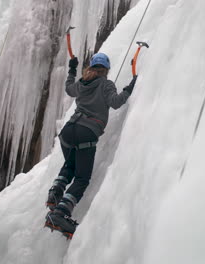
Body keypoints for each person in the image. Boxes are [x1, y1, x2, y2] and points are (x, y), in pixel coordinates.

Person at [45, 53, 137, 236]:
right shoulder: (106, 83)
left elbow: (69, 89)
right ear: (106, 70)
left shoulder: (83, 82)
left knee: (70, 166)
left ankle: (55, 193)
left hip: (68, 131)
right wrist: (130, 88)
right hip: (86, 133)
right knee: (82, 178)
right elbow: (116, 102)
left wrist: (72, 69)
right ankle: (61, 213)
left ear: (92, 67)